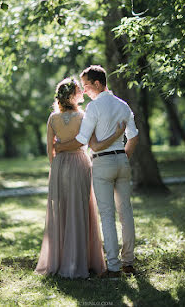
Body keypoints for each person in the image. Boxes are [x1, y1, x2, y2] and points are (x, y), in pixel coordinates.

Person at [35, 77, 125, 279]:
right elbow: (88, 143)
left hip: (59, 167)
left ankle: (61, 260)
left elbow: (50, 150)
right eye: (78, 90)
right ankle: (83, 260)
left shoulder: (52, 119)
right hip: (80, 164)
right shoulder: (83, 116)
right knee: (81, 210)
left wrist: (56, 166)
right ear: (70, 96)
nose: (82, 93)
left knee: (62, 211)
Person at [55, 66, 139, 278]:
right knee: (126, 212)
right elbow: (134, 137)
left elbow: (83, 141)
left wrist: (59, 146)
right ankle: (128, 262)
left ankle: (113, 266)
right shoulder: (123, 105)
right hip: (122, 159)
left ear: (98, 84)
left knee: (108, 215)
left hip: (102, 164)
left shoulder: (94, 107)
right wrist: (122, 156)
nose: (84, 91)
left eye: (86, 86)